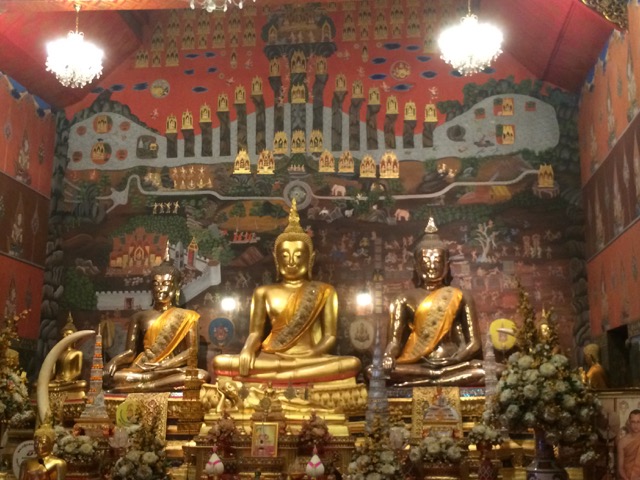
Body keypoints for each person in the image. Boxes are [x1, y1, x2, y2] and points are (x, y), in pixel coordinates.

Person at [213, 199, 361, 384]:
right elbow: (255, 334)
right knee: (220, 362)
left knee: (352, 364)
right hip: (272, 357)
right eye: (285, 256)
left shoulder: (325, 291)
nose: (291, 262)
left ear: (310, 260)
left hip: (310, 359)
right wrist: (247, 350)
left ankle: (273, 380)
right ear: (276, 260)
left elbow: (329, 336)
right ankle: (288, 377)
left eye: (298, 256)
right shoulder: (263, 292)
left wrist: (309, 356)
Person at [381, 217, 483, 386]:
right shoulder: (404, 299)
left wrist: (455, 360)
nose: (431, 266)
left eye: (437, 261)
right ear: (416, 265)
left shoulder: (460, 296)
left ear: (447, 265)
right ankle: (437, 377)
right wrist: (388, 356)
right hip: (419, 364)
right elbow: (394, 342)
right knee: (373, 372)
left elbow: (475, 343)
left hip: (454, 364)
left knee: (490, 371)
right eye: (426, 261)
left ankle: (431, 378)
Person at [103, 252, 209, 392]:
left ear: (176, 287)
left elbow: (191, 352)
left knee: (200, 376)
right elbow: (130, 352)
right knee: (114, 377)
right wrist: (114, 361)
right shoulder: (139, 316)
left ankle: (145, 386)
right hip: (144, 368)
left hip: (170, 369)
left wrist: (164, 366)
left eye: (166, 284)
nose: (160, 288)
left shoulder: (188, 316)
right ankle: (148, 384)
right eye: (156, 284)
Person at [49, 313, 87, 395]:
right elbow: (53, 372)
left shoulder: (77, 353)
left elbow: (78, 372)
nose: (65, 336)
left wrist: (68, 379)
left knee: (82, 384)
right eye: (64, 334)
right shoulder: (58, 354)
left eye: (69, 334)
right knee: (38, 385)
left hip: (69, 382)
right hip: (57, 382)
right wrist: (52, 379)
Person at [618, 409, 640, 480]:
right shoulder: (622, 442)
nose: (636, 425)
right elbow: (620, 468)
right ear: (629, 423)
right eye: (633, 422)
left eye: (638, 422)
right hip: (627, 477)